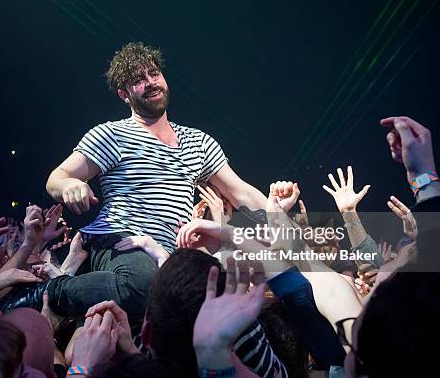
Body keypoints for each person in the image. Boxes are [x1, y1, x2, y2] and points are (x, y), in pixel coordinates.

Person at [44, 42, 297, 320]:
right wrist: (70, 186)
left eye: (154, 74)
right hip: (122, 240)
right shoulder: (110, 135)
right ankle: (52, 292)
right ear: (124, 95)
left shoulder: (198, 141)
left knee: (226, 300)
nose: (150, 83)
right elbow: (57, 178)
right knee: (143, 286)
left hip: (171, 253)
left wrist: (274, 208)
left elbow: (241, 192)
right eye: (138, 80)